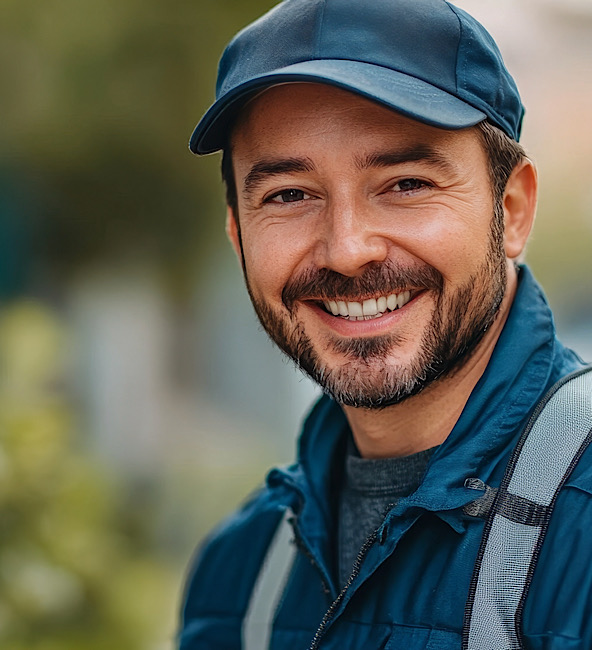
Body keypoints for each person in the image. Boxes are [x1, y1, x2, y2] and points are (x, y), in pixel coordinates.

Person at [178, 1, 592, 648]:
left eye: (404, 183)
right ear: (238, 236)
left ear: (511, 209)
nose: (347, 250)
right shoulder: (238, 572)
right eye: (289, 195)